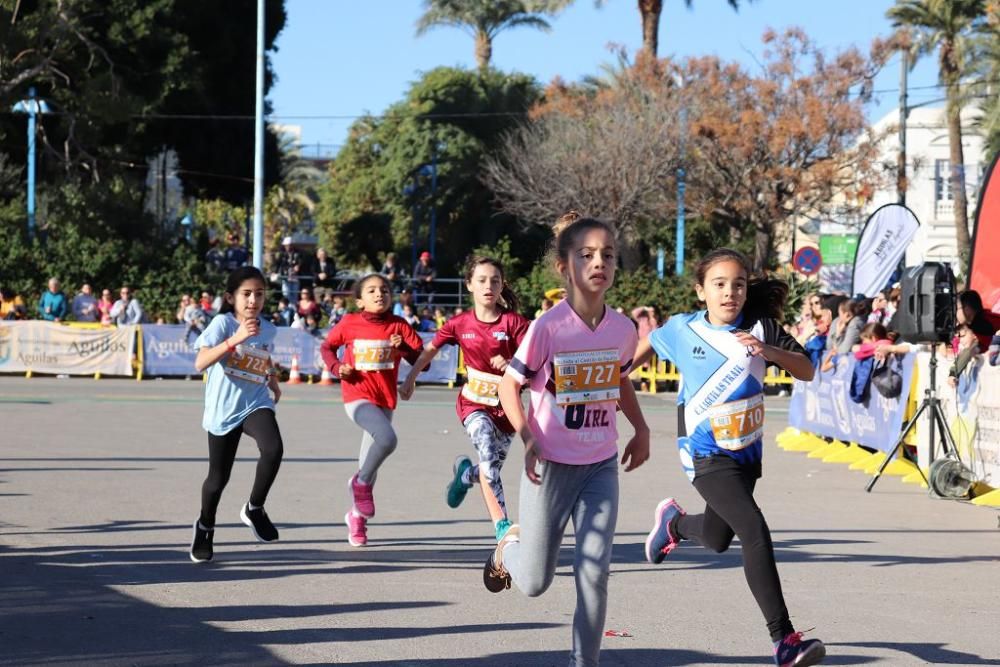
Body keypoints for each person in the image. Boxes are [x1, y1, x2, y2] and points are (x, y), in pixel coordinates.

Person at [637, 247, 824, 667]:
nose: (730, 293)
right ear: (701, 290)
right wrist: (612, 381)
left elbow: (807, 369)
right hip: (701, 452)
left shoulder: (762, 327)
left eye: (738, 284)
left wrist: (769, 351)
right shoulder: (683, 329)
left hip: (745, 451)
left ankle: (675, 524)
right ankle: (785, 640)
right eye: (719, 285)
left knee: (719, 538)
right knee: (754, 529)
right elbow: (646, 346)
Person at [484, 213, 650, 667]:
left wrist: (641, 427)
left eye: (609, 255)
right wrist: (528, 438)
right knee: (535, 582)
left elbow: (618, 380)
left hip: (600, 464)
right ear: (564, 266)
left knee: (594, 573)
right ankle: (507, 547)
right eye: (587, 255)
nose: (600, 263)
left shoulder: (622, 329)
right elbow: (508, 386)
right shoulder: (548, 327)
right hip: (551, 466)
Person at [400, 256, 531, 542]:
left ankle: (463, 476)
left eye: (495, 281)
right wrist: (411, 378)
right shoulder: (459, 323)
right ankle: (502, 525)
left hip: (507, 411)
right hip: (474, 405)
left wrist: (511, 366)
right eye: (482, 280)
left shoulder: (515, 324)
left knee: (488, 468)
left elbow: (536, 366)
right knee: (487, 452)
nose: (488, 286)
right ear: (469, 285)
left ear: (502, 286)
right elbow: (430, 350)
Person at [319, 273, 423, 547]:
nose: (380, 294)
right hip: (357, 396)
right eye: (372, 291)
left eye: (385, 290)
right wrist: (335, 367)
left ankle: (356, 516)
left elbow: (423, 359)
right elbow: (328, 346)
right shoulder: (350, 323)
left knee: (370, 461)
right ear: (360, 300)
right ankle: (359, 483)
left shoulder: (399, 325)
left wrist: (407, 351)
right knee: (387, 440)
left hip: (385, 399)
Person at [189, 266, 284, 563]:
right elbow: (200, 362)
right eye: (246, 294)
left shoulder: (269, 329)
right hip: (223, 409)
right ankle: (205, 525)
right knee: (218, 479)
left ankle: (254, 508)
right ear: (231, 297)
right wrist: (236, 338)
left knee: (273, 449)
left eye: (259, 294)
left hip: (255, 402)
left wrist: (271, 378)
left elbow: (261, 356)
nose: (253, 300)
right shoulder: (222, 323)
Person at [273, 237, 302, 303]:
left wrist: (298, 266)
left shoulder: (298, 253)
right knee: (286, 294)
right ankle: (288, 309)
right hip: (286, 277)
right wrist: (275, 272)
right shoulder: (282, 254)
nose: (288, 247)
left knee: (295, 294)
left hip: (295, 277)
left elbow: (301, 261)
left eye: (289, 245)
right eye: (286, 245)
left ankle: (293, 310)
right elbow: (278, 263)